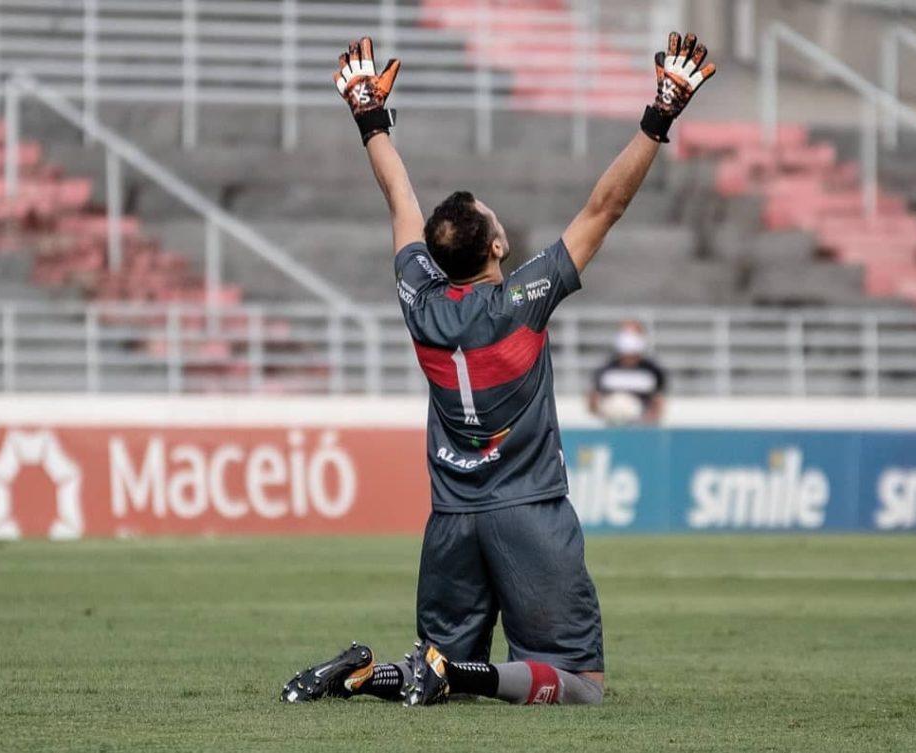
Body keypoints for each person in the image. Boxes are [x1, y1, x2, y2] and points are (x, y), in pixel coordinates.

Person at [281, 31, 715, 707]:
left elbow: (399, 200)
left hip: (451, 520)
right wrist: (660, 115)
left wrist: (369, 118)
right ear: (499, 244)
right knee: (580, 685)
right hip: (529, 513)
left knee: (431, 670)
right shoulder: (522, 301)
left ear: (435, 256)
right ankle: (459, 672)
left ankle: (367, 674)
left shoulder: (418, 300)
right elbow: (606, 207)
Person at [589, 321, 667, 425]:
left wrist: (645, 421)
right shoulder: (606, 370)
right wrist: (608, 413)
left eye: (633, 334)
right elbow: (593, 402)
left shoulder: (652, 370)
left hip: (642, 427)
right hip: (612, 426)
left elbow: (658, 403)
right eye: (625, 334)